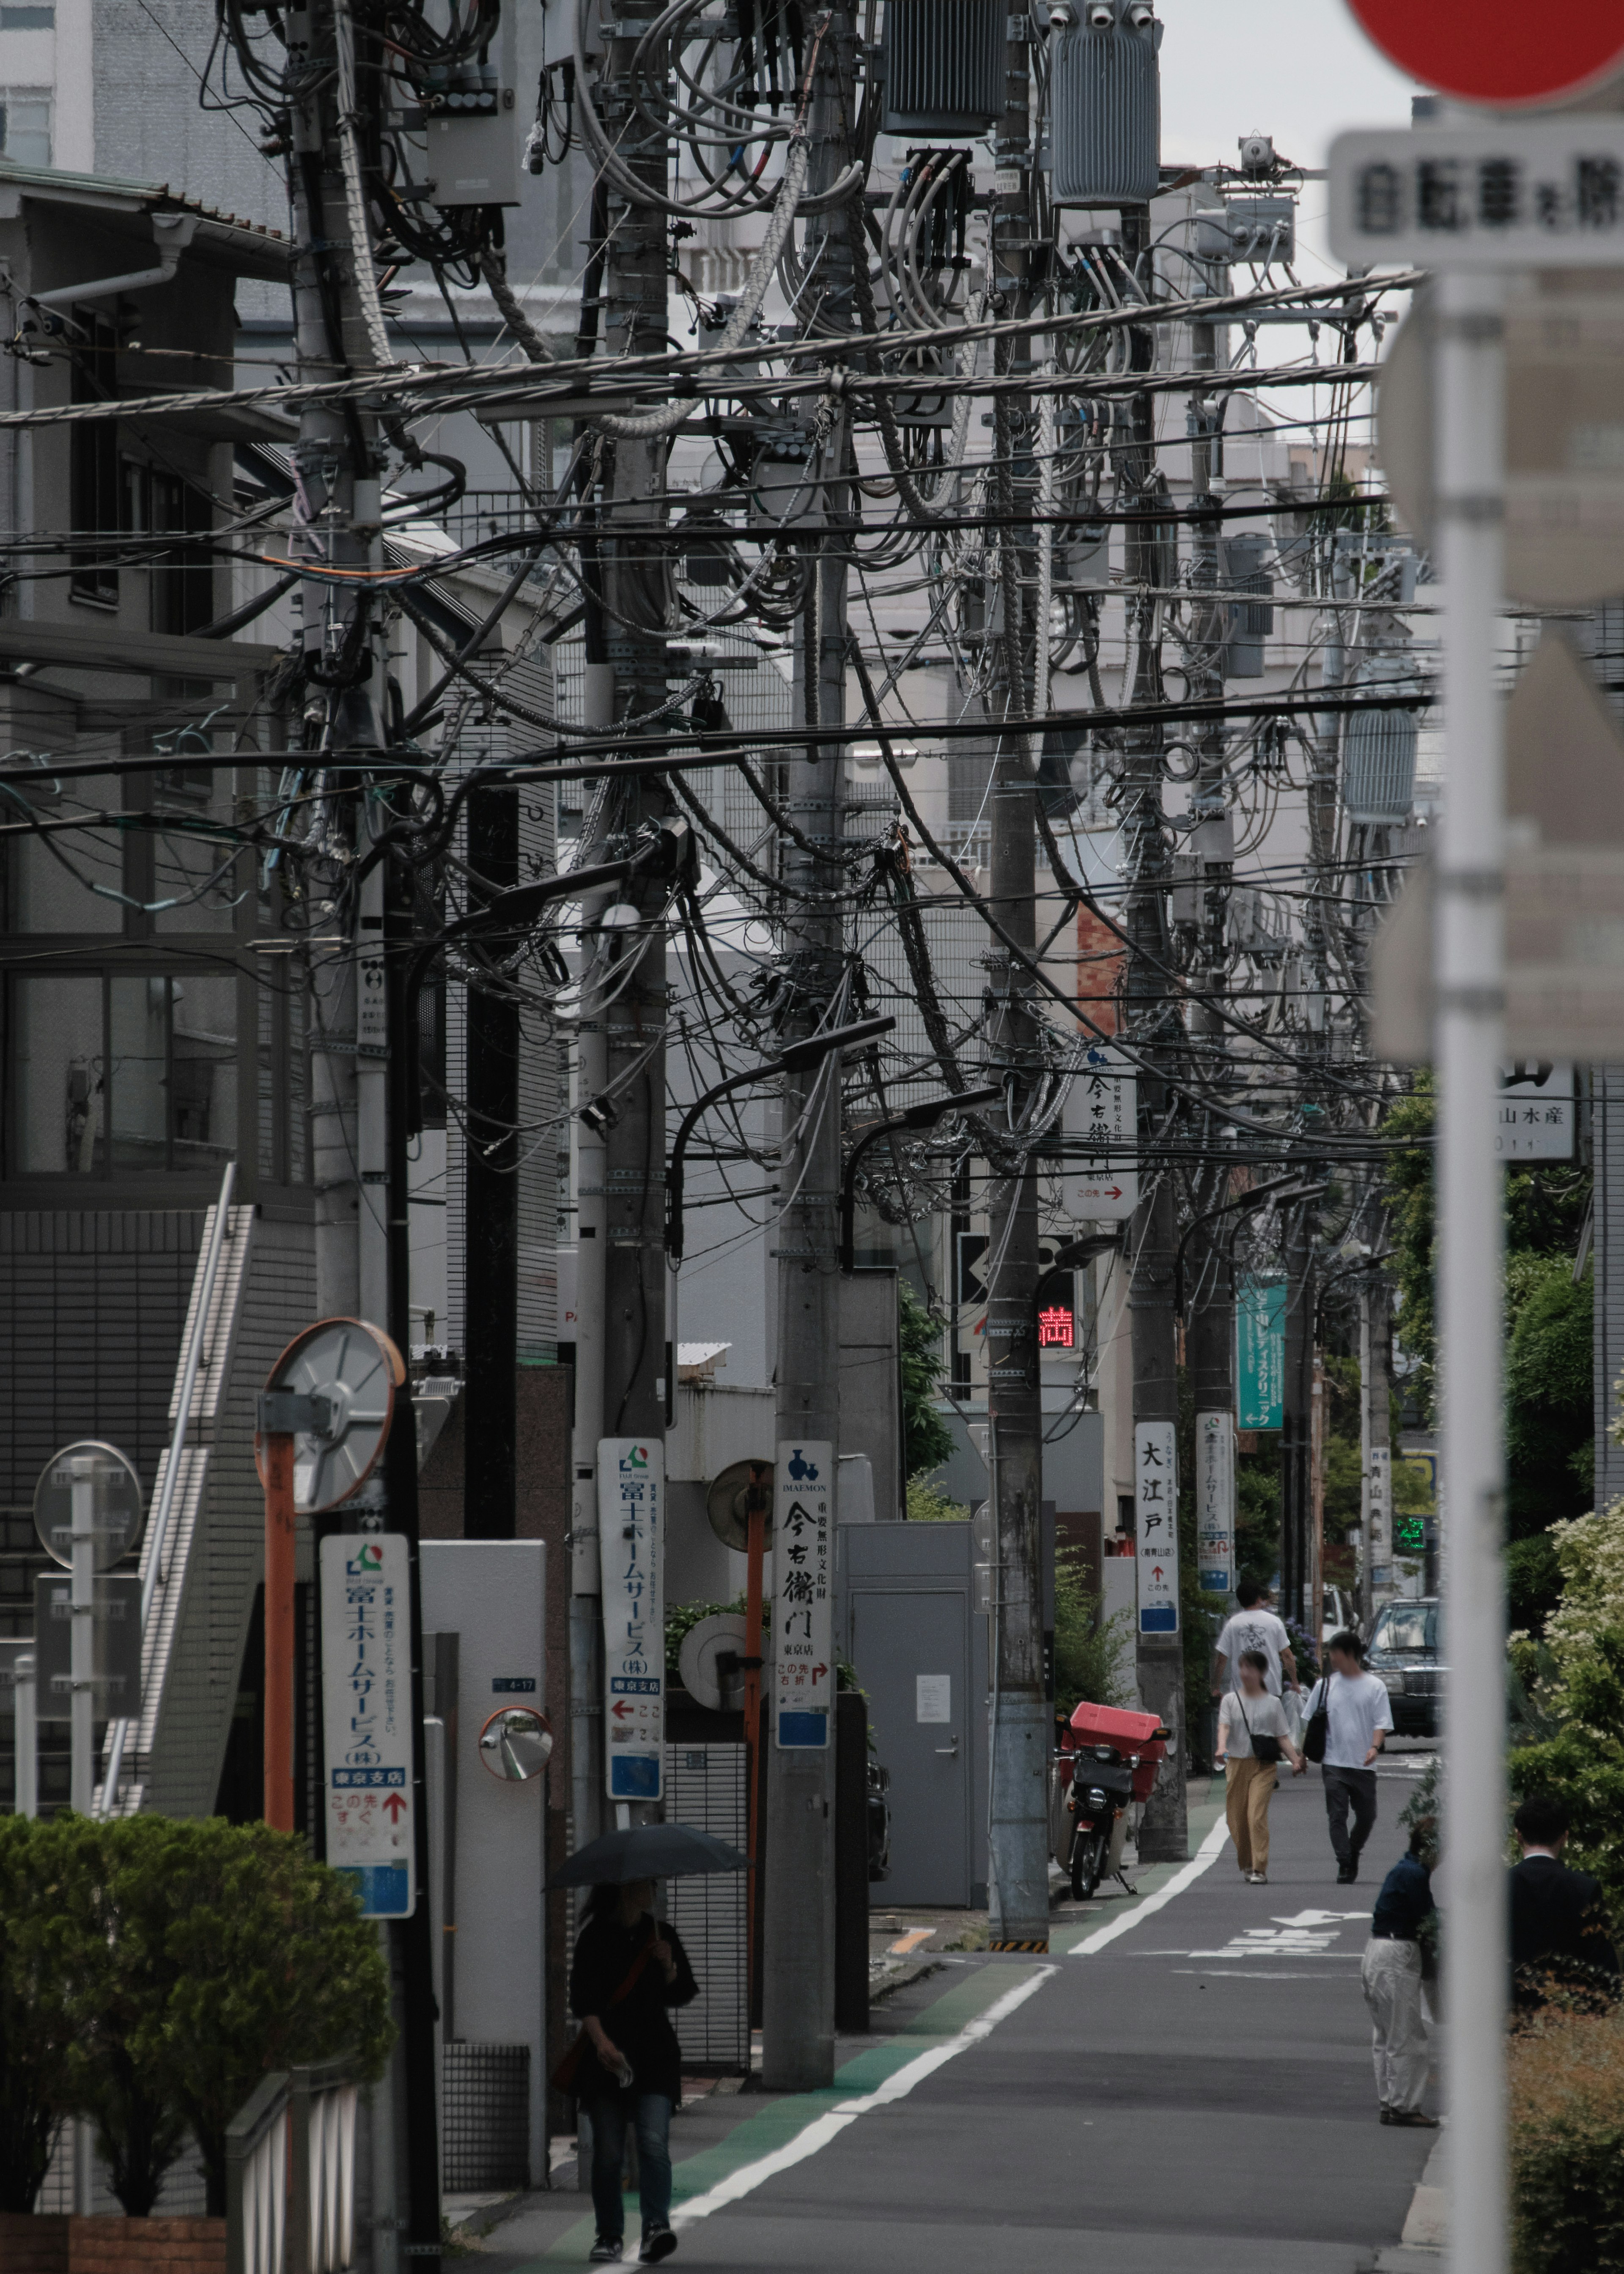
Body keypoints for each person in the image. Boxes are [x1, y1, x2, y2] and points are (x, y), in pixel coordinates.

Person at [570, 1877, 699, 2264]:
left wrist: (669, 1965)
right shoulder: (594, 1937)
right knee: (608, 2151)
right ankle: (609, 2235)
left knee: (654, 2143)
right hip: (606, 2057)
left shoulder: (661, 1934)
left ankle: (656, 2227)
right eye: (648, 1884)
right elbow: (583, 2000)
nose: (654, 1890)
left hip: (655, 2055)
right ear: (627, 1889)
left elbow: (682, 1993)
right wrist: (602, 2042)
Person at [1509, 1793, 1621, 2012]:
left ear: (1519, 1836)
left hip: (1508, 2014)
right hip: (1568, 2016)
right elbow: (1604, 1965)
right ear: (1565, 1837)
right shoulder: (1585, 1889)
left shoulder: (1496, 1889)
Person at [1362, 1821, 1439, 2128]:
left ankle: (1390, 2099)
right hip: (1397, 1954)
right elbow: (1427, 1925)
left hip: (1377, 1949)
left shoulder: (1404, 1869)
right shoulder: (1416, 1874)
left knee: (1385, 2033)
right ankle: (1405, 2105)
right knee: (1407, 2035)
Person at [1306, 1629, 1393, 1883]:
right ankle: (1344, 1863)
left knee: (1368, 1816)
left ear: (1350, 1654)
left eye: (1336, 1653)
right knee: (1337, 1815)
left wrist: (1374, 1748)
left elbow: (1382, 1723)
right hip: (1334, 1763)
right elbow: (1311, 1723)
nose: (1332, 1658)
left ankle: (1353, 1849)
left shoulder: (1375, 1686)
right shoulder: (1325, 1686)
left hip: (1364, 1766)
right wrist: (1301, 1757)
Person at [1215, 1646, 1305, 1883]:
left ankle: (1259, 1868)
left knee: (1256, 1815)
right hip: (1236, 1764)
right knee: (1236, 1818)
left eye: (1251, 1668)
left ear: (1263, 1673)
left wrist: (1296, 1760)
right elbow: (1224, 1726)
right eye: (1243, 1667)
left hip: (1264, 1767)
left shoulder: (1273, 1703)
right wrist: (1221, 1747)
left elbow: (1282, 1737)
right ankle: (1246, 1863)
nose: (1246, 1672)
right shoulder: (1231, 1701)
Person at [1212, 1577, 1300, 1702]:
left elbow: (1222, 1659)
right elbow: (1287, 1655)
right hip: (1270, 1688)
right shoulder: (1274, 1622)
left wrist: (1216, 1687)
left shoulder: (1233, 1623)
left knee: (1243, 1722)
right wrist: (1295, 1682)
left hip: (1241, 1690)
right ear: (1259, 1598)